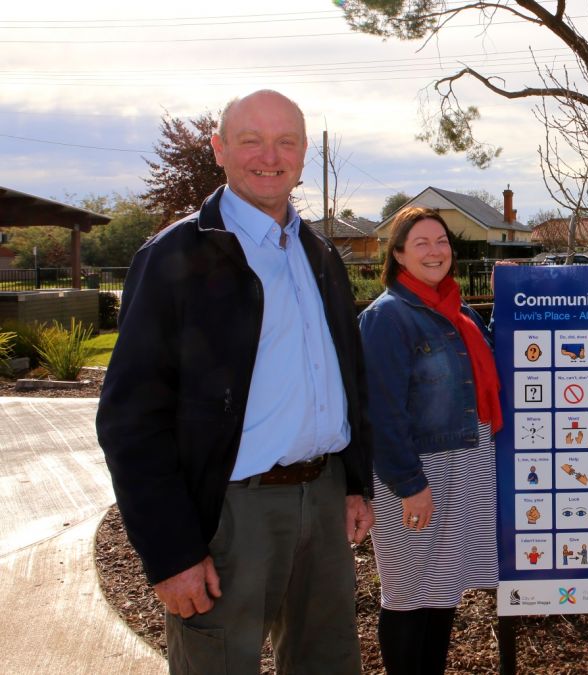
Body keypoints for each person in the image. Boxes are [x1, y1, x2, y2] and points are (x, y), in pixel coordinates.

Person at [96, 89, 373, 673]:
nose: (269, 155)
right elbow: (130, 419)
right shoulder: (175, 257)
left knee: (329, 662)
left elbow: (346, 374)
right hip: (230, 512)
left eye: (286, 142)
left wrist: (354, 483)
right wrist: (170, 553)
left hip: (321, 504)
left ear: (303, 156)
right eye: (251, 140)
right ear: (220, 149)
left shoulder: (320, 255)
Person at [359, 207, 501, 674]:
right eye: (420, 242)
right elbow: (381, 411)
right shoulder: (388, 317)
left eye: (441, 241)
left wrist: (514, 297)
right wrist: (409, 484)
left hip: (463, 466)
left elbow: (483, 370)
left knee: (442, 589)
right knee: (406, 595)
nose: (435, 251)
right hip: (418, 475)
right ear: (398, 253)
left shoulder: (456, 313)